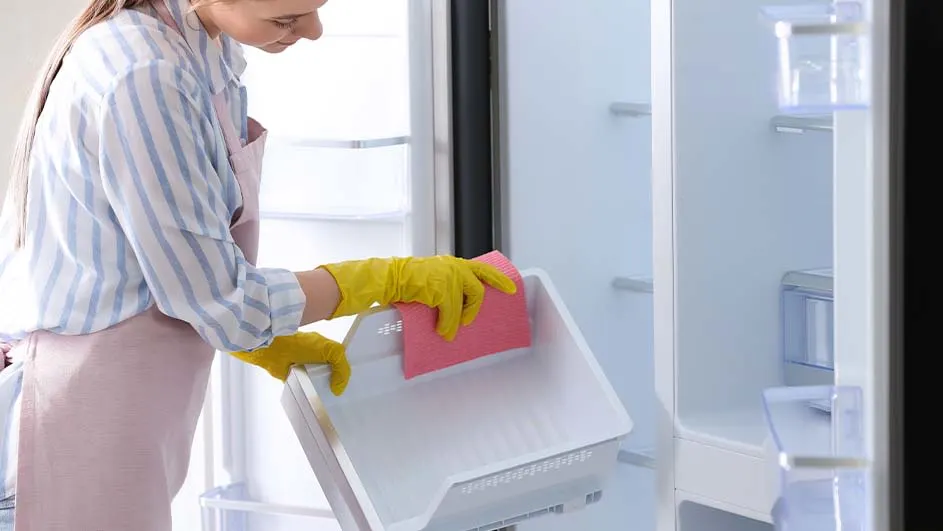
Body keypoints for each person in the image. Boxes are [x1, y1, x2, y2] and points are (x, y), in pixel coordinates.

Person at [0, 0, 516, 529]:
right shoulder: (144, 74)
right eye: (288, 19)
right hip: (77, 421)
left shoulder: (205, 48)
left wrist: (256, 330)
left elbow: (170, 256)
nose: (314, 31)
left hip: (119, 413)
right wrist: (386, 279)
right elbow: (224, 305)